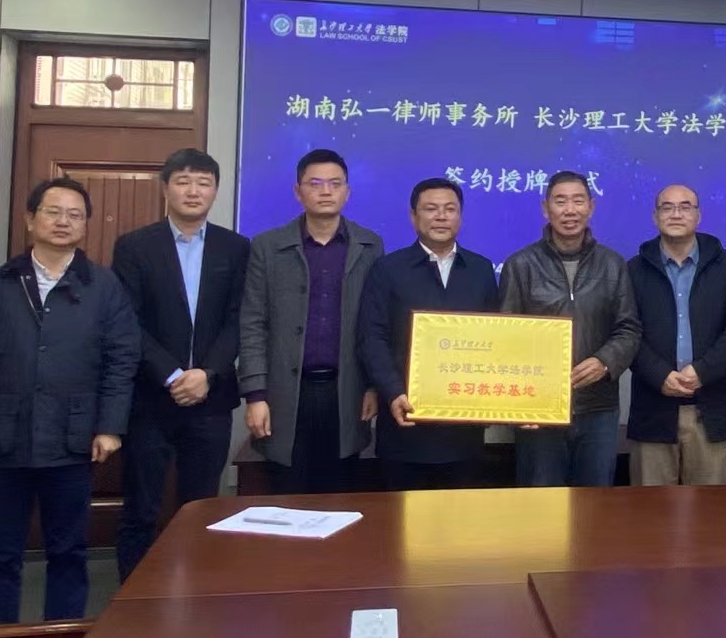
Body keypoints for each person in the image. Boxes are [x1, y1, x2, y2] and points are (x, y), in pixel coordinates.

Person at [0, 177, 139, 638]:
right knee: (0, 557)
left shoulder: (104, 286)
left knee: (68, 552)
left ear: (86, 225)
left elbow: (121, 360)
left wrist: (110, 426)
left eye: (74, 214)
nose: (63, 221)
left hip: (73, 439)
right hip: (3, 438)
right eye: (53, 211)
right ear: (30, 219)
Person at [112, 148, 249, 581]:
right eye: (183, 181)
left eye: (203, 183)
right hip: (151, 399)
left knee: (202, 507)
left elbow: (239, 319)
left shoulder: (236, 247)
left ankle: (196, 591)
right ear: (165, 188)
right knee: (141, 507)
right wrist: (173, 375)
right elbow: (127, 321)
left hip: (212, 398)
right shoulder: (135, 246)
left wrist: (207, 374)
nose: (193, 191)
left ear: (215, 191)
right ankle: (135, 599)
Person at [239, 149, 382, 494]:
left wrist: (373, 386)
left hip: (346, 391)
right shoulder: (267, 246)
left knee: (340, 496)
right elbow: (253, 322)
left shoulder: (369, 245)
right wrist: (256, 395)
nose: (325, 191)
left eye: (335, 183)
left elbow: (377, 324)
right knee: (287, 494)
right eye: (315, 183)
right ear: (298, 191)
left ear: (347, 192)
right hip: (285, 393)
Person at [497, 171, 641, 486]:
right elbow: (506, 337)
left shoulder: (613, 264)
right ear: (545, 208)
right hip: (539, 408)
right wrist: (518, 405)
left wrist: (605, 361)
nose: (570, 210)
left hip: (598, 406)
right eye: (560, 201)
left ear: (591, 206)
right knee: (541, 505)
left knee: (594, 504)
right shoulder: (520, 265)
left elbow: (629, 328)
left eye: (578, 201)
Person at [358, 178, 499, 491]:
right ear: (413, 216)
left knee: (459, 517)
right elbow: (373, 337)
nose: (441, 216)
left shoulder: (480, 269)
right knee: (401, 517)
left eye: (450, 209)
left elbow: (494, 339)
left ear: (460, 216)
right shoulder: (388, 269)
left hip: (463, 431)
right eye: (431, 209)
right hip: (404, 421)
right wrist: (393, 391)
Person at [627, 184, 726, 486]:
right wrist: (659, 375)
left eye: (685, 207)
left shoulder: (725, 264)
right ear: (655, 216)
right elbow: (627, 331)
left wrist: (702, 371)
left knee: (708, 510)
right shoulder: (634, 269)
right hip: (654, 408)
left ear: (698, 215)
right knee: (649, 508)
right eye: (667, 207)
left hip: (710, 408)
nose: (676, 214)